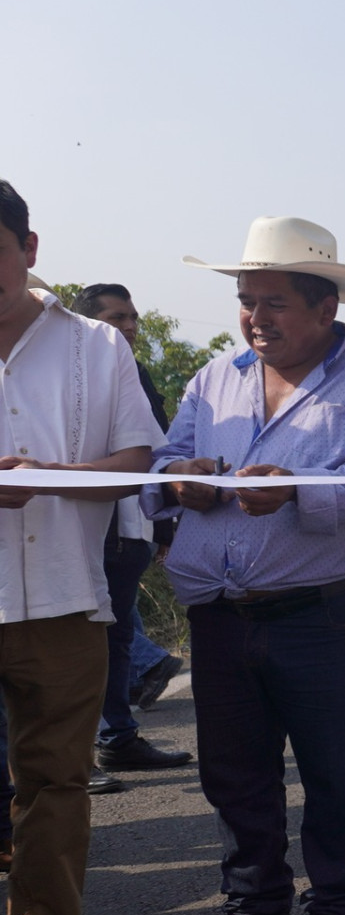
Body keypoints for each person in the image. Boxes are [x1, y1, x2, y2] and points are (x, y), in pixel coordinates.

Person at [149, 215, 345, 915]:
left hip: (320, 612)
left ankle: (339, 913)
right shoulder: (215, 377)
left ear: (326, 308)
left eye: (274, 303)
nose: (255, 319)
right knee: (234, 772)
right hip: (220, 612)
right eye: (246, 300)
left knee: (335, 769)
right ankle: (254, 908)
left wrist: (300, 490)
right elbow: (168, 457)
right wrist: (181, 483)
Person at [0, 179, 159, 915]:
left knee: (55, 782)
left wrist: (49, 476)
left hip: (63, 597)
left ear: (29, 249)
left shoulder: (96, 346)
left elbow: (136, 462)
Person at [71, 285, 193, 784]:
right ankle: (81, 750)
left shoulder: (129, 369)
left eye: (134, 317)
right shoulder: (73, 368)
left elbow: (154, 455)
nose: (130, 327)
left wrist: (163, 523)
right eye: (117, 317)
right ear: (87, 323)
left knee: (117, 638)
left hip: (130, 525)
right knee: (82, 641)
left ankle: (115, 737)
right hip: (86, 526)